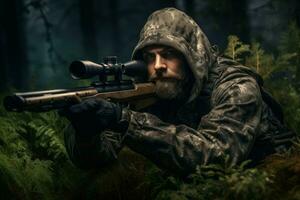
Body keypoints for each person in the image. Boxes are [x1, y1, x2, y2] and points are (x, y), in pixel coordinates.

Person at [61, 8, 295, 177]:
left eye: (169, 54)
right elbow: (98, 158)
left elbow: (215, 157)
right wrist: (86, 133)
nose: (158, 66)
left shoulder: (236, 86)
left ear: (192, 57)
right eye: (150, 57)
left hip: (277, 178)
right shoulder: (150, 92)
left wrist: (126, 120)